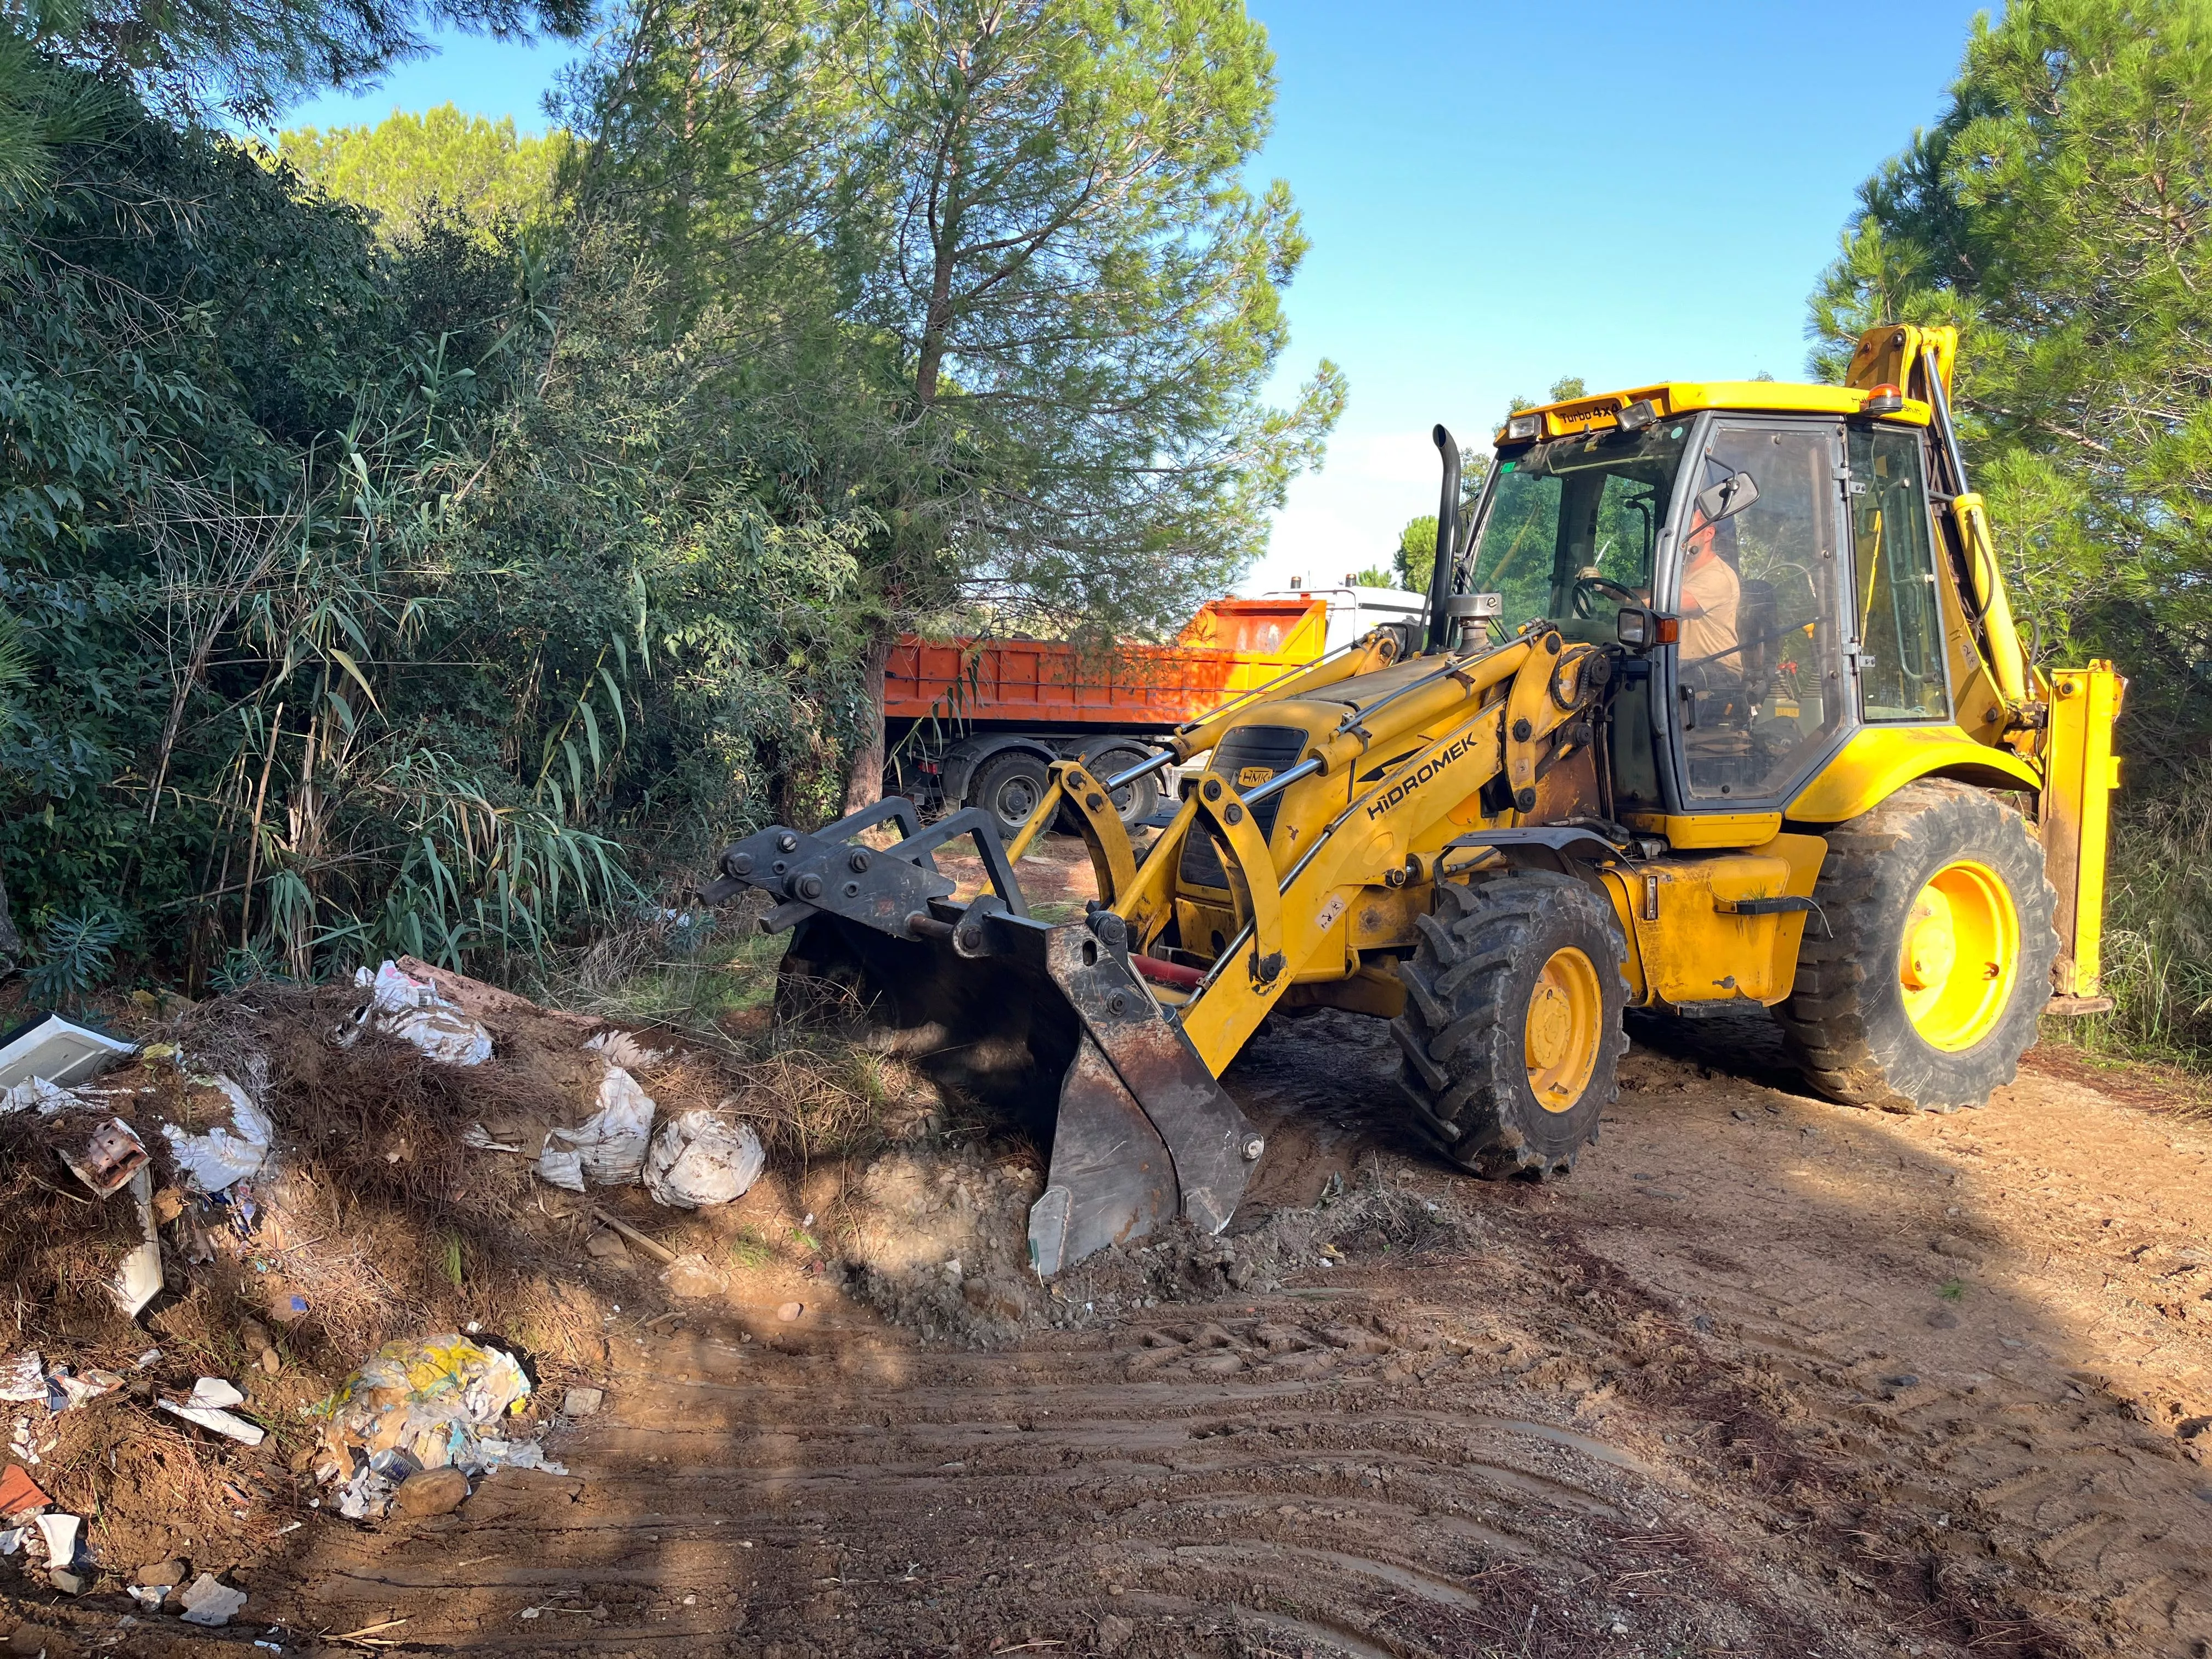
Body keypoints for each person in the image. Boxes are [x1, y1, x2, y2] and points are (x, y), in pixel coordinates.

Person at [1678, 511, 1741, 674]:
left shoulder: (1718, 576)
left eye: (1687, 527)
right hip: (1685, 667)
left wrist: (1627, 598)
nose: (1680, 534)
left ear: (1709, 533)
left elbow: (1668, 602)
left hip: (1720, 674)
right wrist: (1605, 587)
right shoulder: (1678, 574)